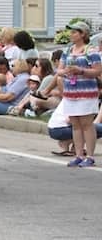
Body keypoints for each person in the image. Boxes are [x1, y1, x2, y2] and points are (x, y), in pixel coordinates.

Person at [57, 21, 101, 167]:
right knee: (75, 124)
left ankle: (90, 155)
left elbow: (97, 71)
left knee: (87, 124)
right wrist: (66, 72)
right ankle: (79, 155)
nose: (71, 35)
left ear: (83, 34)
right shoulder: (68, 50)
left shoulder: (91, 50)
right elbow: (59, 69)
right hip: (71, 92)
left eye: (74, 32)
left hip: (86, 92)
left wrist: (81, 71)